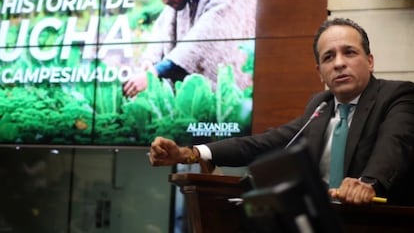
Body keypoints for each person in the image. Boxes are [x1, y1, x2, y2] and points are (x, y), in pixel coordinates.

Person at [148, 17, 414, 206]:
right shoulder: (320, 106)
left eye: (350, 52)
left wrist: (368, 183)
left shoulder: (397, 96)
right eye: (328, 57)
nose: (340, 63)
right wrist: (191, 153)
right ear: (319, 72)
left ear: (369, 61)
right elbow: (264, 143)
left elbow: (395, 146)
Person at [123, 0, 257, 97]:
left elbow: (208, 37)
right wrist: (150, 62)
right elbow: (162, 29)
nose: (164, 1)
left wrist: (154, 73)